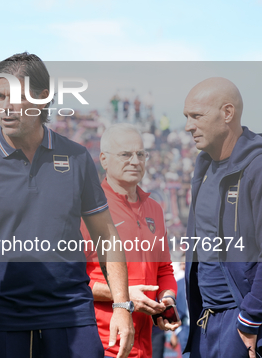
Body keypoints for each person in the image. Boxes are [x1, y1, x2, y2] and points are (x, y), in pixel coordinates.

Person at [0, 53, 134, 358]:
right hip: (2, 317)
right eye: (0, 96)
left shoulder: (77, 157)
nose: (5, 106)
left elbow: (107, 237)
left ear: (43, 98)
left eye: (15, 97)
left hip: (72, 315)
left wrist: (122, 307)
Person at [81, 123, 180, 358]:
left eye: (140, 154)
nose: (135, 161)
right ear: (104, 159)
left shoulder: (154, 209)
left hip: (145, 344)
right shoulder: (86, 210)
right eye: (126, 154)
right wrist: (122, 294)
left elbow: (164, 269)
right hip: (101, 342)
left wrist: (167, 300)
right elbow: (71, 280)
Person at [183, 77, 262, 358]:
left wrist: (251, 317)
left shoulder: (257, 167)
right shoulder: (203, 166)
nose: (188, 126)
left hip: (241, 324)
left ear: (227, 113)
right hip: (206, 321)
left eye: (196, 116)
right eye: (186, 117)